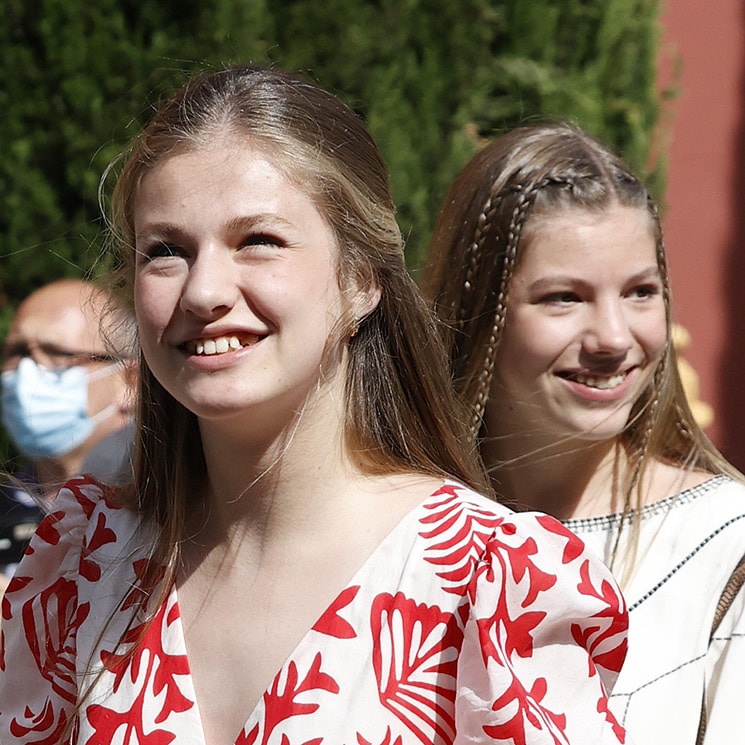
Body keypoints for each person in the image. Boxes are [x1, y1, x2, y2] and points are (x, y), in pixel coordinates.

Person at [0, 68, 632, 745]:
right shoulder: (85, 562)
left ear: (360, 278)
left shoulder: (489, 583)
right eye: (166, 251)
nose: (205, 289)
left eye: (259, 240)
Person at [423, 122, 745, 745]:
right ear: (479, 313)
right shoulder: (399, 531)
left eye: (640, 293)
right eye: (563, 298)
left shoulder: (725, 547)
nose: (615, 339)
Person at [0, 278, 136, 579]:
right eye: (18, 353)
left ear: (130, 382)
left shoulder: (168, 503)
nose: (27, 373)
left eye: (57, 354)